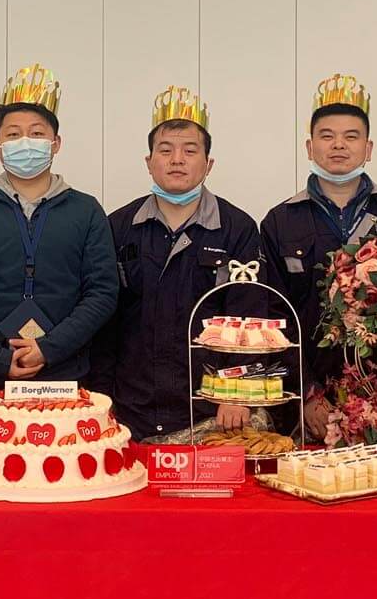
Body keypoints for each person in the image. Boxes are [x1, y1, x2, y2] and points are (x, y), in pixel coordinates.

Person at [0, 64, 118, 411]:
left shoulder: (86, 210)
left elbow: (102, 292)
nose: (26, 143)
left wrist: (49, 348)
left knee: (64, 463)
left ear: (56, 144)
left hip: (64, 377)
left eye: (37, 134)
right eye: (13, 134)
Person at [259, 76, 377, 436]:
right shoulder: (280, 222)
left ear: (368, 148)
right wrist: (306, 393)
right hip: (306, 410)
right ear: (309, 147)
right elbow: (272, 318)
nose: (338, 145)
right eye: (327, 136)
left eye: (351, 136)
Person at [94, 86, 261, 439]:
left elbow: (250, 318)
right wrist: (100, 396)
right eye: (165, 150)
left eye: (190, 150)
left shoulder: (237, 228)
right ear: (149, 161)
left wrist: (237, 394)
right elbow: (104, 320)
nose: (177, 159)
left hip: (210, 409)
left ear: (208, 163)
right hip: (130, 407)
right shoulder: (118, 226)